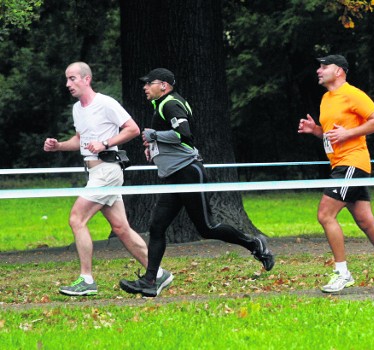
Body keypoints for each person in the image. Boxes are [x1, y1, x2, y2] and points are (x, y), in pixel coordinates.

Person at [119, 68, 275, 297]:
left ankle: (255, 245)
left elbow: (184, 135)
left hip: (189, 173)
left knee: (207, 227)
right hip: (175, 175)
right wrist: (155, 149)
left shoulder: (170, 103)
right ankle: (151, 281)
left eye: (148, 83)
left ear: (163, 85)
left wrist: (154, 136)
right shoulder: (163, 104)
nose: (144, 87)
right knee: (157, 227)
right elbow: (174, 139)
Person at [298, 54, 374, 294]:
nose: (319, 70)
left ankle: (342, 273)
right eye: (318, 66)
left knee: (325, 214)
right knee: (366, 221)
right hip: (340, 163)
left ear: (339, 71)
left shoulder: (353, 94)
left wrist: (349, 134)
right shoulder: (326, 98)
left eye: (324, 66)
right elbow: (334, 134)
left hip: (352, 163)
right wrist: (316, 131)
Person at [43, 62, 150, 296]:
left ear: (86, 79)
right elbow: (80, 141)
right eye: (67, 79)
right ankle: (157, 273)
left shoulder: (106, 103)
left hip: (108, 170)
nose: (68, 84)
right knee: (121, 228)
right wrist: (58, 146)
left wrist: (105, 143)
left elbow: (132, 129)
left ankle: (87, 280)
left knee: (76, 219)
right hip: (95, 172)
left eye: (72, 79)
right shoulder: (77, 109)